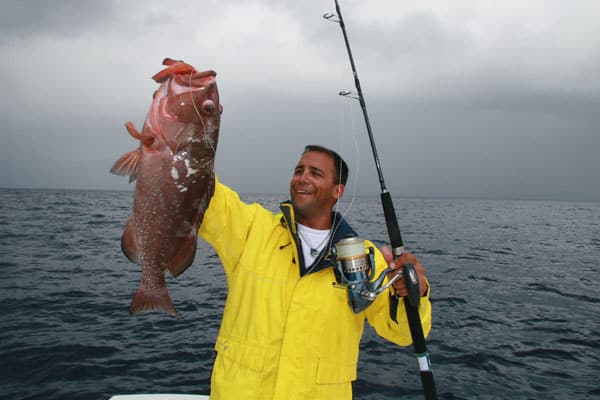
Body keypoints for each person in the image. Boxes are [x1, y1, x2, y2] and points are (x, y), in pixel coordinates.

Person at [198, 144, 431, 399]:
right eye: (299, 170)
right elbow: (204, 193)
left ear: (337, 191)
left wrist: (412, 292)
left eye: (315, 173)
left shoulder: (366, 257)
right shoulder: (253, 229)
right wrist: (173, 142)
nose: (302, 177)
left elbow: (403, 332)